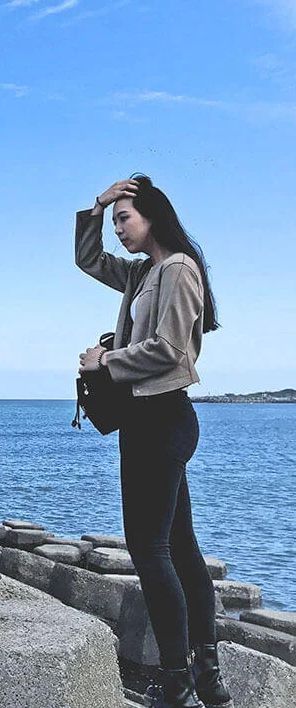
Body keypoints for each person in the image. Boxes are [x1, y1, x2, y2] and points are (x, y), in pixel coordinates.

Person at [75, 176, 233, 708]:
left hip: (161, 420)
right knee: (182, 551)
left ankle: (176, 680)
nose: (119, 229)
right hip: (149, 422)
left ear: (153, 215)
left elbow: (170, 352)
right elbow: (88, 260)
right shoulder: (143, 273)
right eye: (115, 220)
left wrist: (105, 362)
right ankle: (206, 678)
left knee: (150, 551)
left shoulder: (178, 270)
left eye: (125, 218)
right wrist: (95, 206)